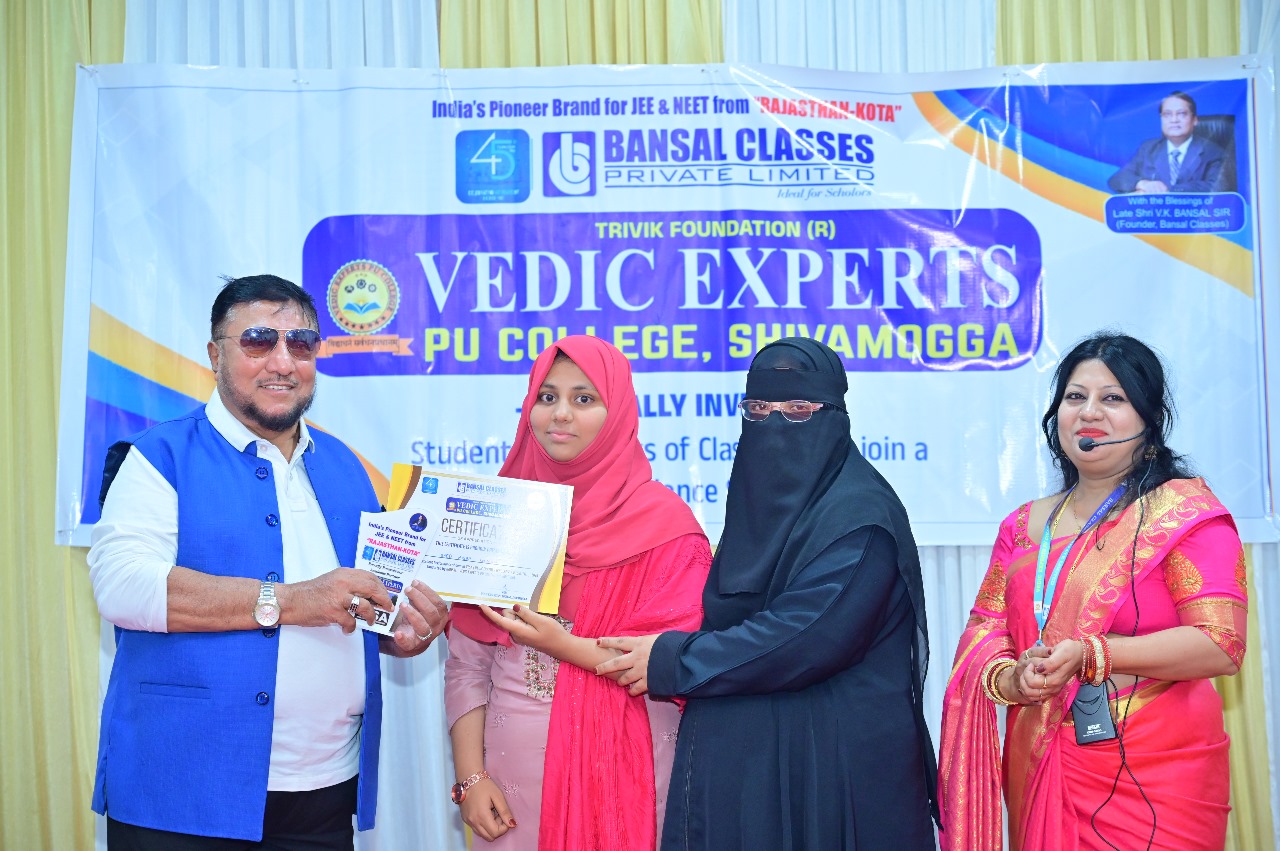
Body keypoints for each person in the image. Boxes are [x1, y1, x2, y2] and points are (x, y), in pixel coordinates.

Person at [89, 275, 450, 850]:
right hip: (183, 792)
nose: (283, 362)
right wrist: (292, 601)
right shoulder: (158, 456)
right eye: (258, 341)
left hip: (325, 792)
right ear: (215, 355)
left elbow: (355, 601)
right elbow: (122, 587)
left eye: (301, 343)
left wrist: (393, 631)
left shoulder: (345, 466)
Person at [597, 337, 939, 851]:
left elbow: (807, 638)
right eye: (757, 410)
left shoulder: (861, 517)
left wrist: (674, 660)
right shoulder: (756, 509)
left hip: (832, 770)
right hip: (752, 767)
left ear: (835, 416)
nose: (774, 425)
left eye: (798, 410)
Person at [937, 332, 1247, 851]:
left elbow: (1221, 643)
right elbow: (985, 633)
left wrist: (1093, 655)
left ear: (1150, 419)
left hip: (1158, 771)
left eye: (1113, 398)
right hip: (1044, 758)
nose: (1089, 413)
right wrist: (1012, 680)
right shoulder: (1023, 527)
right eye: (1075, 397)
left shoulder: (1183, 516)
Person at [443, 336, 712, 850]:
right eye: (546, 397)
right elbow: (466, 666)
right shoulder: (499, 516)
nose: (560, 414)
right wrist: (470, 778)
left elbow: (680, 661)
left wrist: (560, 644)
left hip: (630, 782)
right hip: (511, 789)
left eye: (583, 398)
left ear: (617, 412)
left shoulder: (665, 529)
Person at [1107, 91, 1228, 193]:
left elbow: (1218, 187)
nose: (1174, 120)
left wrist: (1166, 190)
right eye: (1167, 114)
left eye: (1181, 114)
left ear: (1194, 120)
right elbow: (1117, 179)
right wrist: (1142, 184)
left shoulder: (1213, 152)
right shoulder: (1148, 148)